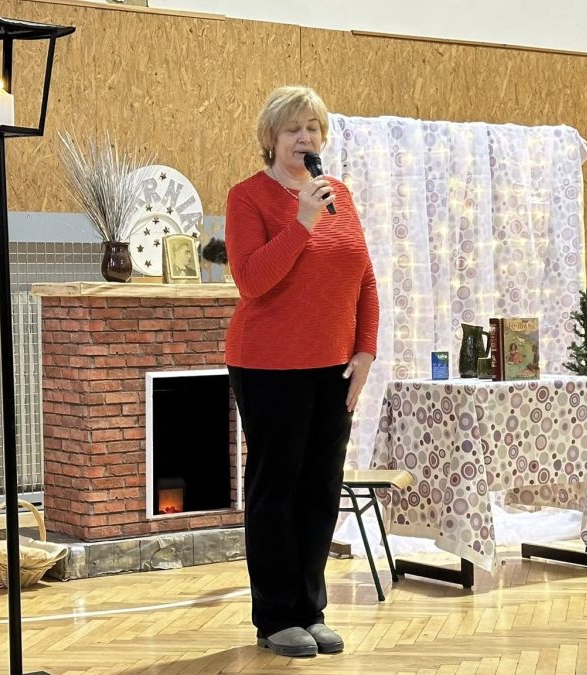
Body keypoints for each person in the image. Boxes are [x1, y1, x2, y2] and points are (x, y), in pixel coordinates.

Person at [224, 85, 379, 658]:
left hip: (333, 366)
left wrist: (365, 352)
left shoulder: (340, 194)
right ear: (271, 138)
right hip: (268, 365)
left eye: (312, 128)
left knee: (320, 490)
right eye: (293, 129)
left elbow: (363, 276)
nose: (305, 138)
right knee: (277, 491)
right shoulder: (248, 198)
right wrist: (303, 221)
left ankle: (311, 610)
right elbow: (252, 280)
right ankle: (275, 617)